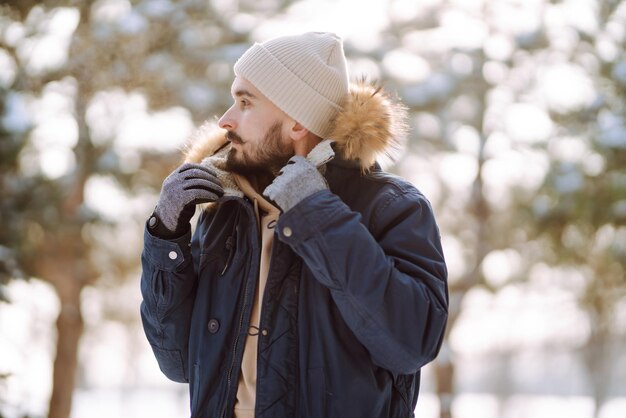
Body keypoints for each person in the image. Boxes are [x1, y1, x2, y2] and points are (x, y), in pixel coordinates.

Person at [140, 32, 448, 418]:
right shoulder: (226, 210)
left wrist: (314, 212)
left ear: (297, 122)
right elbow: (178, 361)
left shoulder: (393, 207)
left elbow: (411, 343)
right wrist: (166, 238)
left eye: (245, 102)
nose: (225, 120)